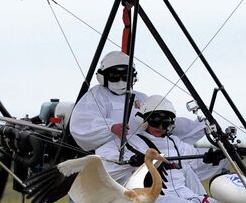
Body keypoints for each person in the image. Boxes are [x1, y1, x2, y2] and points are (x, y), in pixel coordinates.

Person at [96, 95, 229, 203]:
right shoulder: (132, 142)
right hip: (156, 198)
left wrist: (212, 156)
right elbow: (103, 155)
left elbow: (195, 161)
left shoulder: (176, 143)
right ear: (144, 121)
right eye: (155, 122)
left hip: (185, 193)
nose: (160, 127)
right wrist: (131, 160)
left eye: (165, 123)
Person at [70, 51, 205, 153]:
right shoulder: (96, 96)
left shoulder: (140, 97)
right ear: (103, 77)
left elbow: (162, 119)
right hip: (113, 154)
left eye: (126, 77)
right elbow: (82, 123)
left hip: (143, 151)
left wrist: (201, 125)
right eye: (115, 77)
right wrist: (110, 128)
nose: (121, 81)